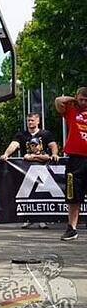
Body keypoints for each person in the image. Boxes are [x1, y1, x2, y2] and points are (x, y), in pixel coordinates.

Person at [55, 87, 87, 241]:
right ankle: (72, 228)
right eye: (81, 99)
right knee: (73, 195)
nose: (84, 102)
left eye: (86, 100)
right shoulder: (72, 111)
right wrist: (73, 100)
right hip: (76, 159)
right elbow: (58, 101)